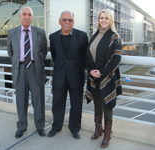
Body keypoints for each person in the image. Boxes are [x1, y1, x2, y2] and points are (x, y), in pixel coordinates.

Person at [7, 6, 48, 138]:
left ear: (32, 17)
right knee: (21, 100)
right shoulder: (12, 33)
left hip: (35, 69)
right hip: (20, 70)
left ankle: (40, 125)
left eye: (29, 14)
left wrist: (34, 60)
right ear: (20, 16)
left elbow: (44, 51)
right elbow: (10, 52)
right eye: (24, 14)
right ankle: (21, 126)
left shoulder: (40, 32)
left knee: (38, 100)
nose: (27, 17)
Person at [47, 11, 88, 139]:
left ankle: (75, 128)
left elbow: (85, 56)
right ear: (59, 21)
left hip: (76, 75)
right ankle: (56, 126)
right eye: (64, 19)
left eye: (70, 20)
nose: (67, 22)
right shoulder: (53, 37)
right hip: (59, 76)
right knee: (57, 103)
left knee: (76, 104)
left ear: (73, 22)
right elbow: (55, 55)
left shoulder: (82, 36)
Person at [85, 9, 122, 148]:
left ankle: (107, 135)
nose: (103, 20)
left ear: (110, 20)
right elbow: (87, 56)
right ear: (98, 20)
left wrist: (102, 72)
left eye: (106, 18)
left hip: (108, 76)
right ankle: (98, 129)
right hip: (94, 76)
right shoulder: (94, 36)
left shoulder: (115, 37)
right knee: (97, 102)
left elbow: (117, 59)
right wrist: (91, 71)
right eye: (101, 18)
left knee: (107, 105)